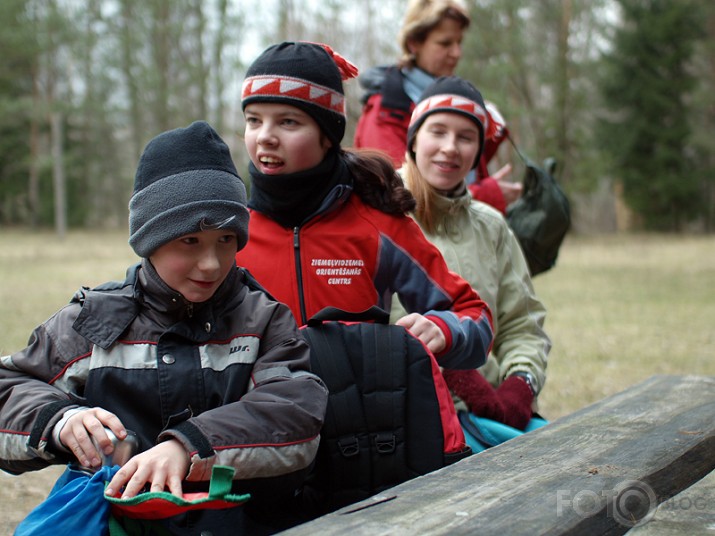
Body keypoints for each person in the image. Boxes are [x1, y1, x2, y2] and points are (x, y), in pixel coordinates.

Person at [0, 121, 328, 533]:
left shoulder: (264, 320)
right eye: (190, 241)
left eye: (226, 239)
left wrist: (189, 446)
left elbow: (295, 412)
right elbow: (8, 386)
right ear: (149, 239)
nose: (211, 263)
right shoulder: (94, 322)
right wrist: (61, 422)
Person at [236, 40, 493, 375]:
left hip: (364, 424)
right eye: (254, 120)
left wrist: (443, 330)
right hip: (260, 425)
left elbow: (474, 315)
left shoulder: (376, 221)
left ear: (328, 134)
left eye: (288, 122)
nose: (265, 136)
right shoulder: (230, 235)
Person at [392, 76, 550, 443]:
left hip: (492, 413)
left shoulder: (492, 226)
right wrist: (456, 374)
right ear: (414, 138)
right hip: (413, 418)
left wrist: (520, 385)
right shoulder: (379, 212)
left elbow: (521, 323)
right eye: (438, 131)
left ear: (478, 150)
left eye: (465, 137)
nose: (450, 148)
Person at [353, 0, 521, 213]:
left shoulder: (457, 99)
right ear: (414, 43)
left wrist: (487, 135)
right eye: (445, 43)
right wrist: (484, 196)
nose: (456, 52)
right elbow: (394, 194)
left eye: (459, 42)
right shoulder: (386, 111)